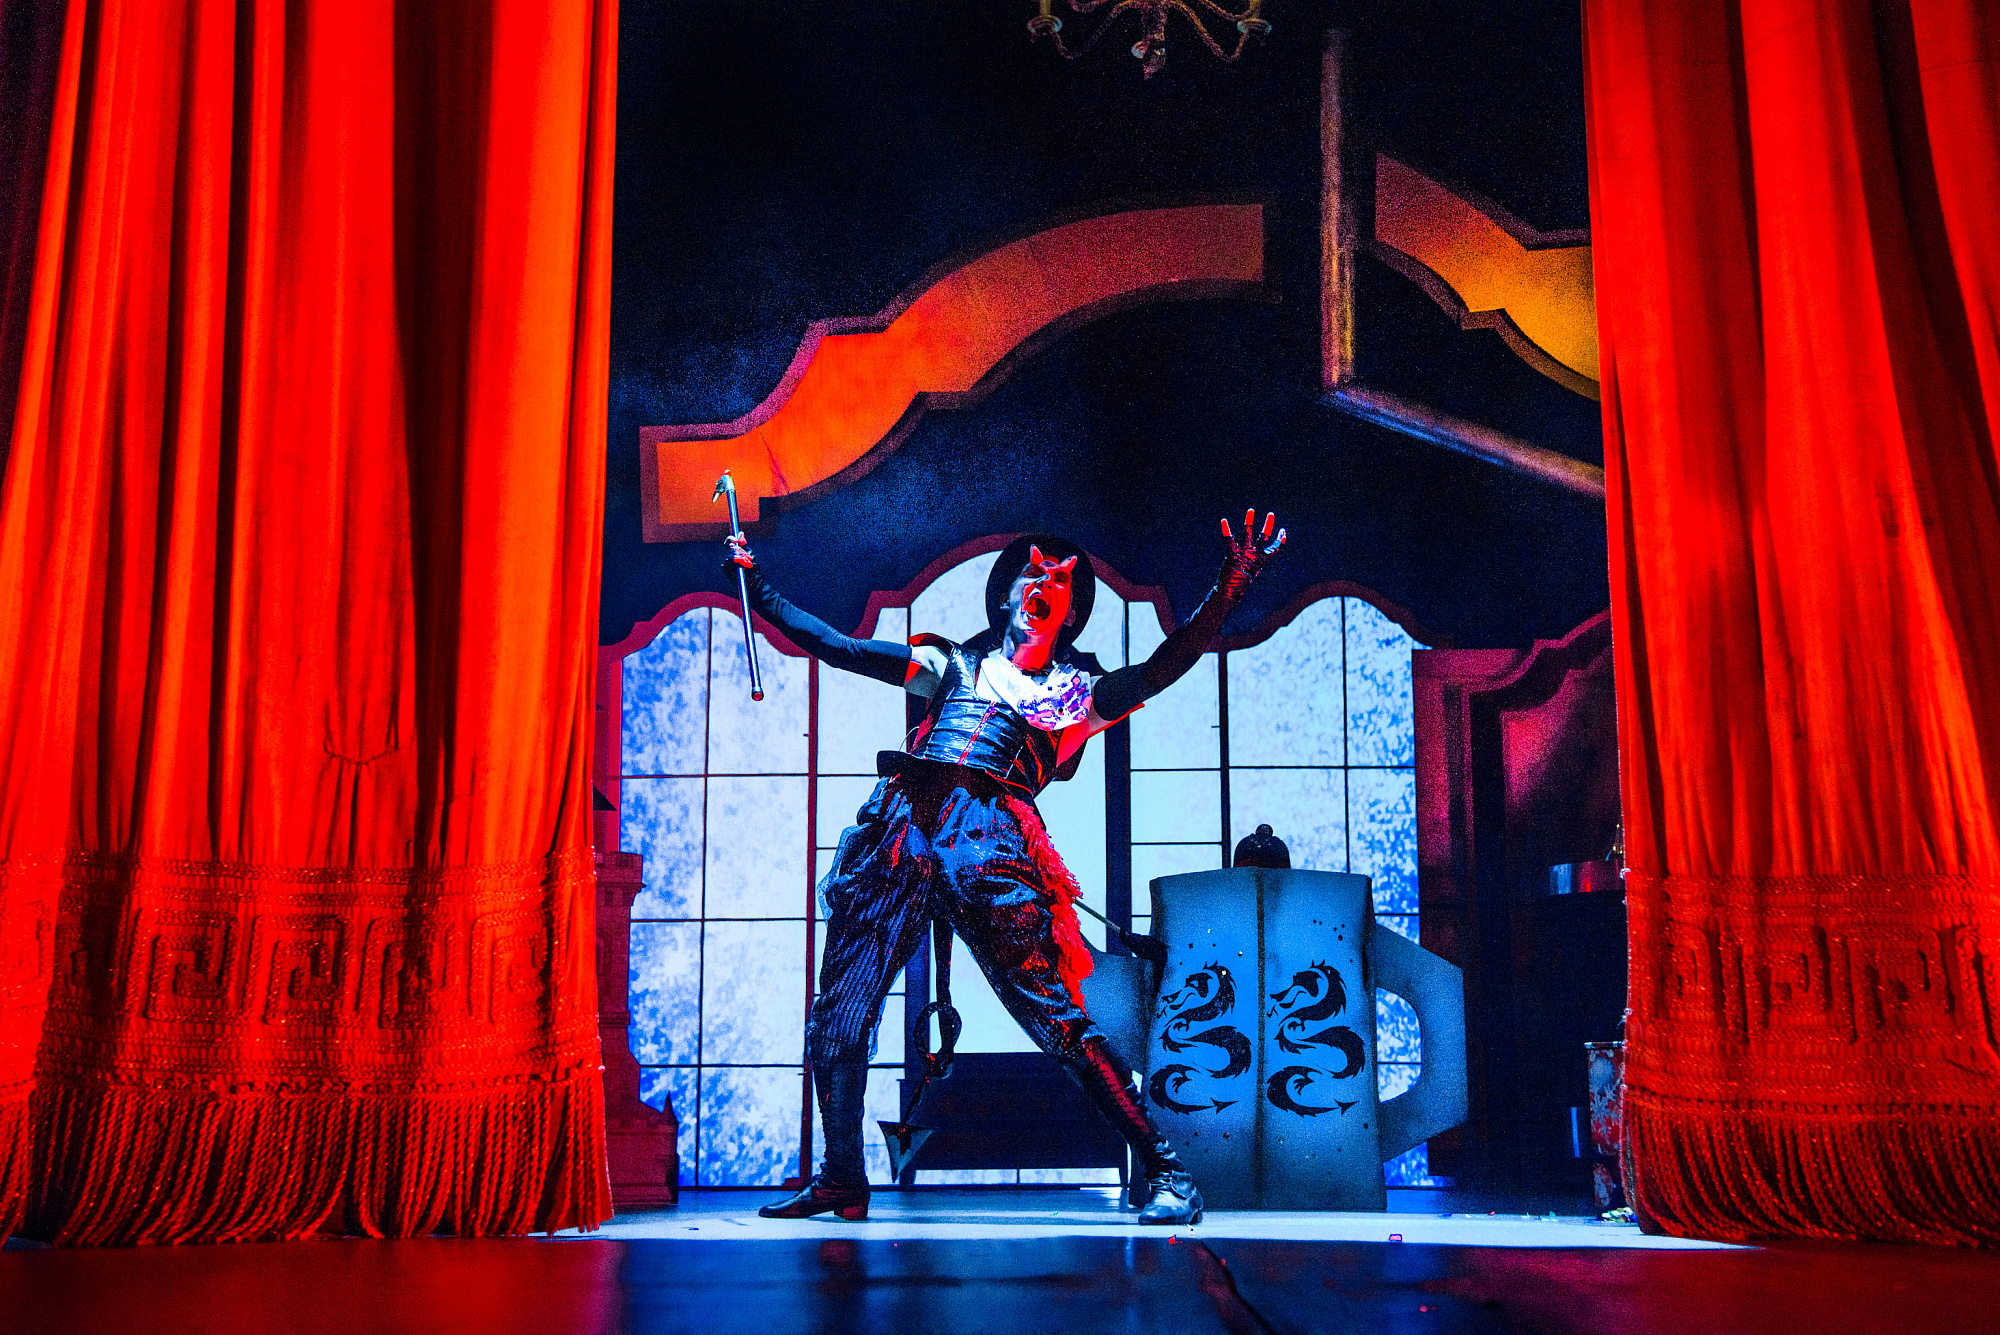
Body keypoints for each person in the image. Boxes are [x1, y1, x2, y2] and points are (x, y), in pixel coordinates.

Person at [731, 513, 1286, 1223]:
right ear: (1007, 595)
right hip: (900, 831)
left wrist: (1230, 584)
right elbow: (841, 649)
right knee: (839, 1012)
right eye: (1033, 570)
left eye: (1061, 579)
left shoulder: (1075, 697)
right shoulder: (949, 667)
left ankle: (1167, 1169)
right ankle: (842, 1177)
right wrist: (760, 589)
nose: (1044, 581)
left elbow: (1161, 667)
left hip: (989, 845)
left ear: (1071, 613)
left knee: (1055, 1015)